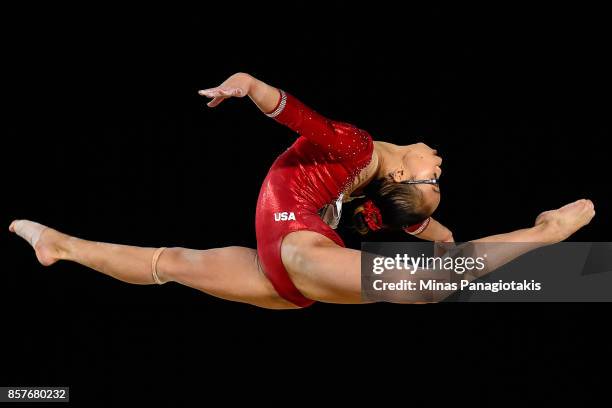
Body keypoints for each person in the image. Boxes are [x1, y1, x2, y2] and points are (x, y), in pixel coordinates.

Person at [9, 73, 596, 309]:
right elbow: (421, 226)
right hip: (281, 270)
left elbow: (304, 120)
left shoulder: (360, 150)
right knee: (168, 263)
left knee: (431, 288)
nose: (437, 162)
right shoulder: (365, 182)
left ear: (400, 176)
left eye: (433, 177)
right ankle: (61, 245)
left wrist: (253, 87)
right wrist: (432, 231)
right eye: (437, 176)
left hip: (295, 252)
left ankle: (548, 235)